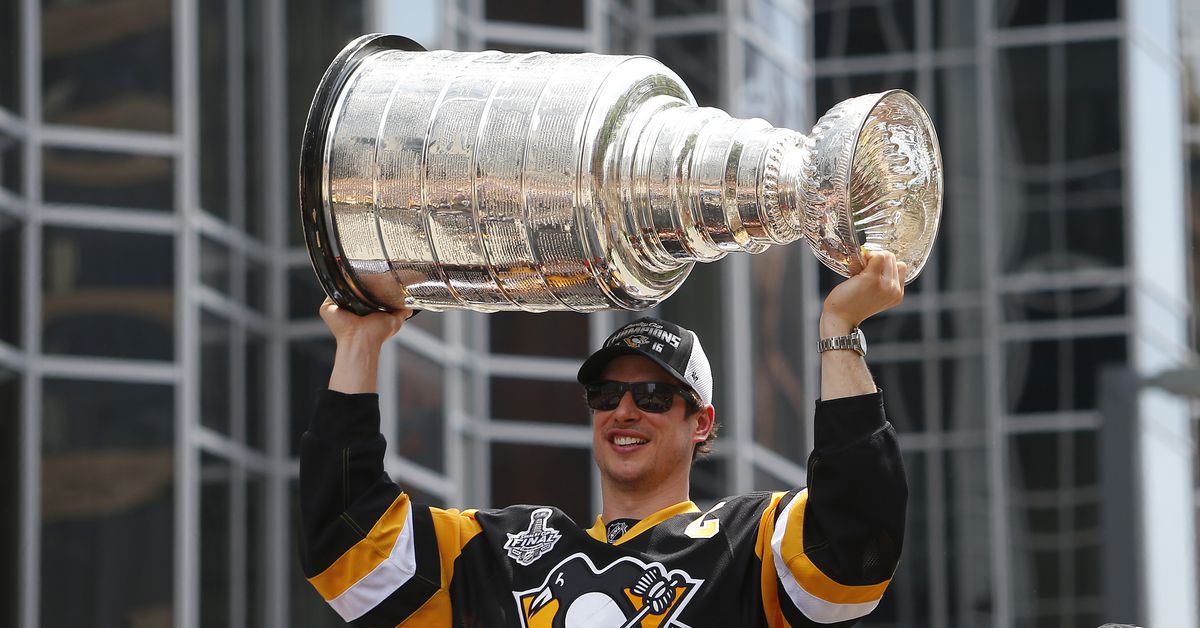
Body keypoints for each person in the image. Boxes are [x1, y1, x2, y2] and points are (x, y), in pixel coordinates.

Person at [300, 251, 909, 627]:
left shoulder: (744, 544)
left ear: (700, 422)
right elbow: (350, 550)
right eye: (606, 394)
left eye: (653, 396)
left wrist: (839, 329)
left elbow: (855, 547)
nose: (624, 411)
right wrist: (358, 346)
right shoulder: (509, 550)